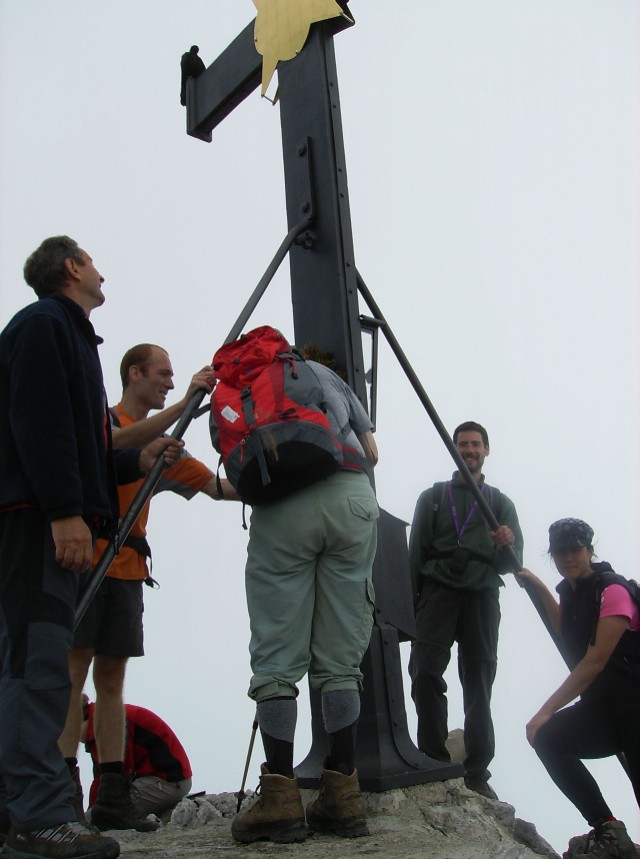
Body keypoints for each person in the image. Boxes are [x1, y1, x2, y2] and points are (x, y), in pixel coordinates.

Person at [0, 236, 182, 859]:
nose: (103, 272)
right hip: (34, 527)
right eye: (93, 261)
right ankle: (38, 818)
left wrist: (138, 455)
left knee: (34, 666)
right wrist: (64, 513)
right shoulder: (46, 325)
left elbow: (87, 444)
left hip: (44, 522)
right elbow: (39, 422)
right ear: (73, 268)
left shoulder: (70, 337)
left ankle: (22, 807)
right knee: (39, 668)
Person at [58, 343, 235, 833]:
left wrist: (276, 482)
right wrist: (186, 405)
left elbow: (217, 488)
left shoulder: (165, 447)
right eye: (163, 373)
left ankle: (110, 793)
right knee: (74, 674)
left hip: (128, 569)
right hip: (89, 562)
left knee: (110, 679)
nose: (170, 382)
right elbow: (113, 444)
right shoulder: (106, 422)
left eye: (175, 377)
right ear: (134, 373)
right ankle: (63, 790)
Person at [230, 347, 379, 844]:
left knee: (276, 658)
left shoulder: (250, 386)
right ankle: (343, 797)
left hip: (283, 510)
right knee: (340, 663)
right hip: (351, 500)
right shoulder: (330, 380)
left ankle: (280, 801)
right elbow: (372, 451)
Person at [408, 420, 523, 800]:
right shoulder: (434, 497)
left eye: (475, 444)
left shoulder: (500, 502)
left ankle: (476, 770)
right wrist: (410, 608)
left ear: (486, 450)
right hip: (438, 590)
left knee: (479, 681)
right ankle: (433, 758)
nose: (469, 450)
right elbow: (414, 554)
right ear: (454, 450)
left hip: (482, 593)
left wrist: (505, 544)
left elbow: (513, 562)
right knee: (425, 672)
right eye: (462, 444)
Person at [519, 518, 639, 859]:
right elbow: (568, 635)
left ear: (589, 550)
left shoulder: (613, 590)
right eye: (560, 552)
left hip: (635, 709)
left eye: (575, 550)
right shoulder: (571, 594)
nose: (568, 558)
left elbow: (595, 659)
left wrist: (545, 710)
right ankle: (608, 829)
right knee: (550, 740)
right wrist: (539, 588)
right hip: (604, 711)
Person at [81, 697, 192, 818]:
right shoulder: (98, 723)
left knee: (109, 812)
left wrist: (91, 817)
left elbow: (120, 775)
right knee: (98, 813)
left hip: (169, 781)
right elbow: (100, 779)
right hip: (157, 779)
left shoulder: (108, 723)